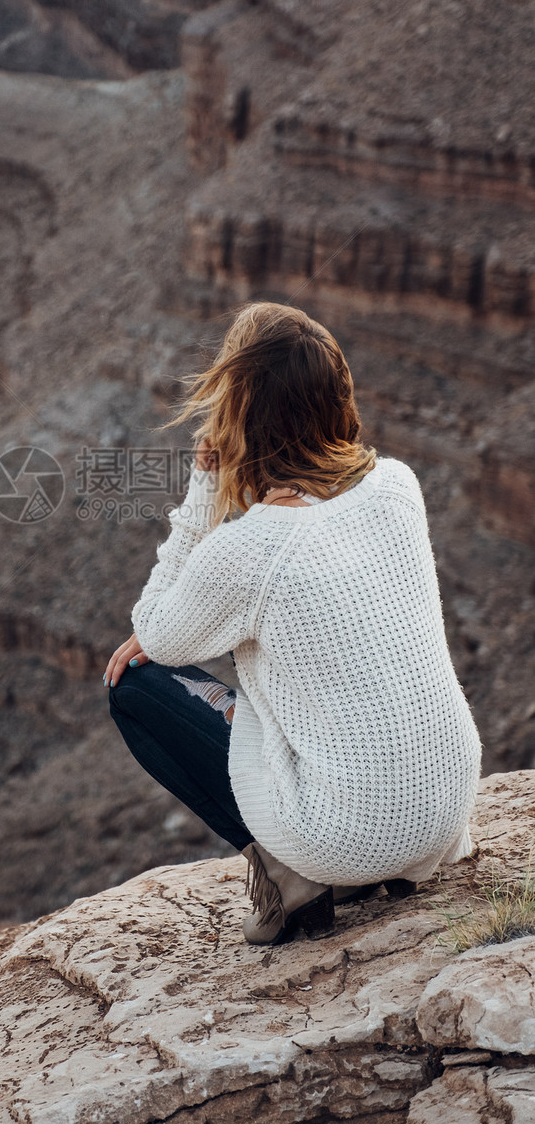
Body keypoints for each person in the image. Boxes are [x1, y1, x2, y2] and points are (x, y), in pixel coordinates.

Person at [104, 302, 482, 947]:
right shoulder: (396, 485)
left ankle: (292, 876)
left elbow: (156, 631)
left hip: (347, 837)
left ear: (240, 417)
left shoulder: (252, 546)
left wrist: (204, 490)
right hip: (445, 814)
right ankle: (360, 859)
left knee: (134, 685)